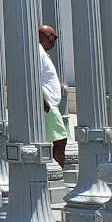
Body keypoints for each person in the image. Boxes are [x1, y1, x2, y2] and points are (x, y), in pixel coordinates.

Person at [37, 25, 68, 167]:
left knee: (57, 140)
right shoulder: (38, 52)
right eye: (53, 37)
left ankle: (55, 169)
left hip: (50, 105)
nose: (55, 41)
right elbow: (33, 78)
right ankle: (57, 172)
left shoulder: (42, 53)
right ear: (46, 37)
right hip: (48, 106)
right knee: (60, 140)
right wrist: (44, 103)